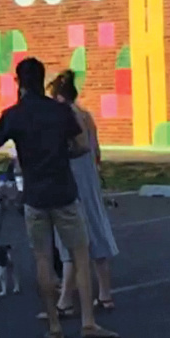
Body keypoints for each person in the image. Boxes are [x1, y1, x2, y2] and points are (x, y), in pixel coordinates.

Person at [0, 58, 118, 338]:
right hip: (65, 194)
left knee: (43, 259)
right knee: (80, 255)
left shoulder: (13, 115)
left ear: (17, 83)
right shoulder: (60, 111)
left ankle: (55, 327)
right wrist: (59, 154)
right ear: (42, 79)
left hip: (34, 197)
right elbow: (82, 146)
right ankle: (88, 323)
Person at [47, 70, 120, 315]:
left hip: (71, 183)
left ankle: (65, 300)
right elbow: (96, 150)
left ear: (58, 97)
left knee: (69, 241)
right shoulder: (87, 116)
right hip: (89, 182)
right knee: (96, 233)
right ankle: (105, 294)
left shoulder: (64, 118)